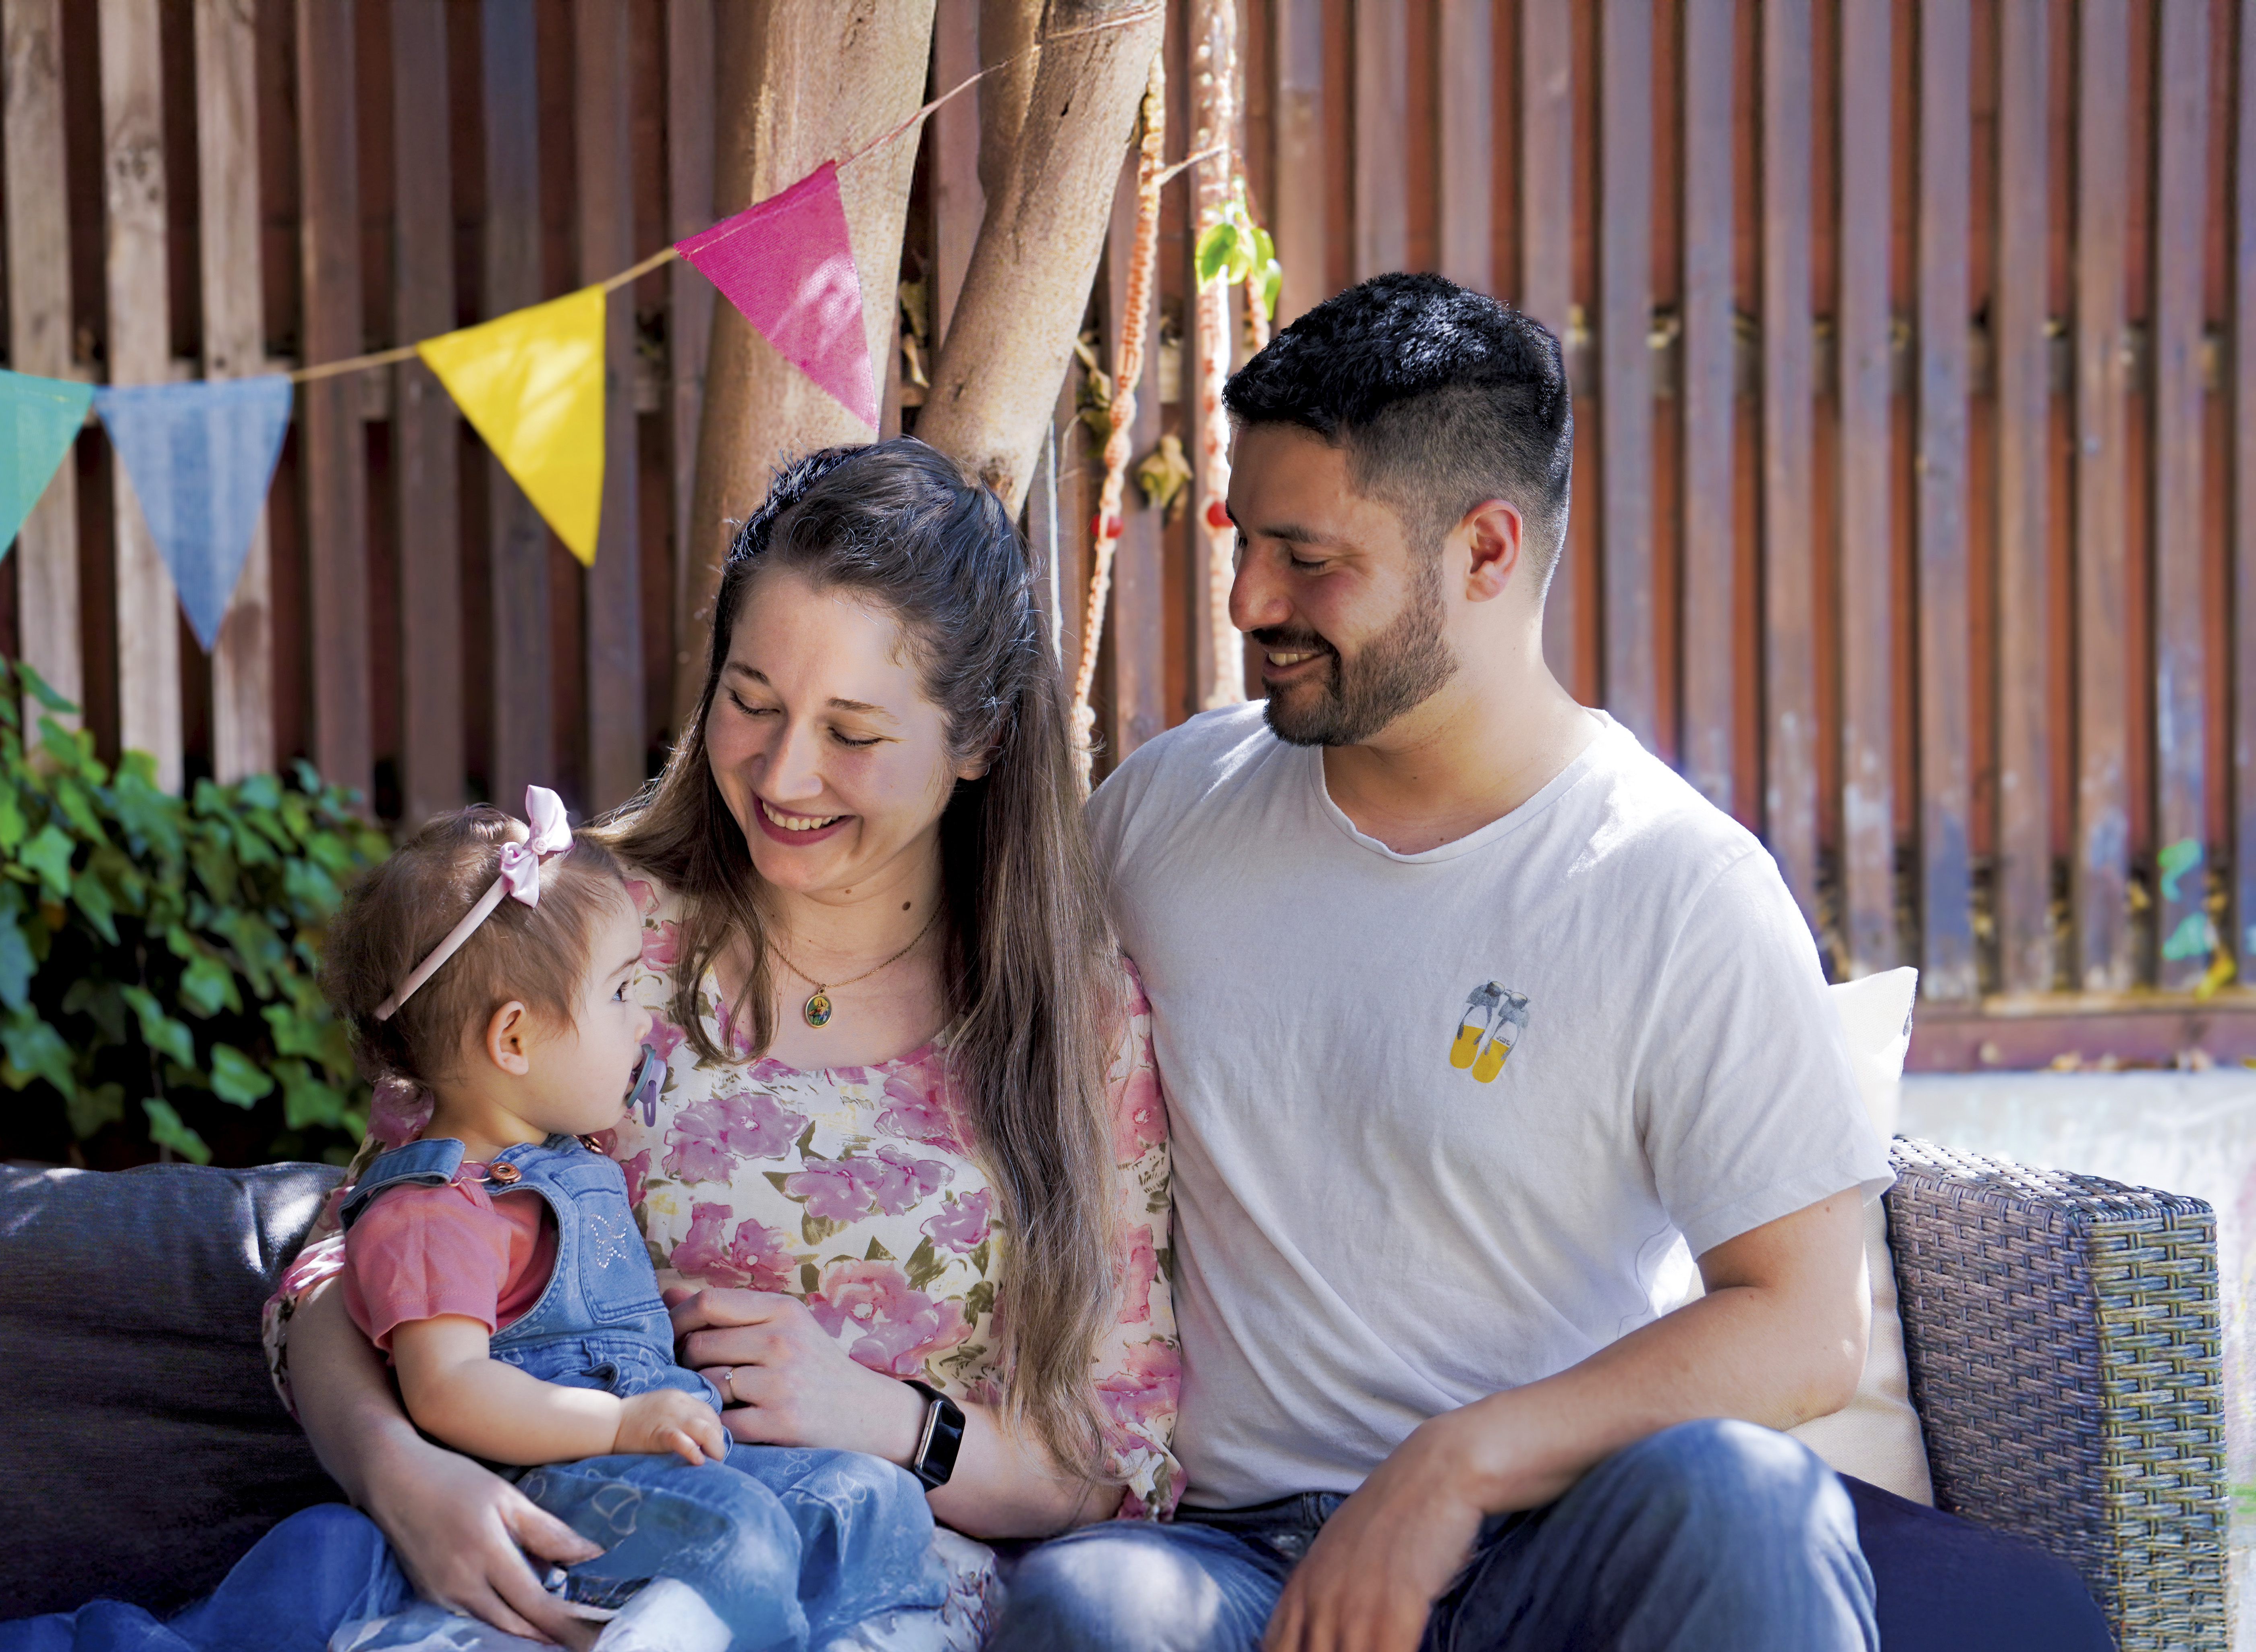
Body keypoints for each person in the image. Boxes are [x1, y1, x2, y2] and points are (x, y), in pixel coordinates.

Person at [992, 274, 2111, 1652]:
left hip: (1564, 1549)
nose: (1246, 599)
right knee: (1086, 1609)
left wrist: (1454, 1465)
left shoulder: (1673, 885)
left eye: (1308, 557)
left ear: (1485, 550)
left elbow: (1807, 1327)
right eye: (1241, 542)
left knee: (1745, 1494)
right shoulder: (1165, 815)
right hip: (1241, 1571)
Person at [266, 438, 1180, 1646]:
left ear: (981, 739)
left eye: (853, 730)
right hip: (567, 1548)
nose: (784, 770)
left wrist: (894, 1417)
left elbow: (1115, 1448)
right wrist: (405, 1474)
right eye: (751, 701)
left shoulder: (1070, 1015)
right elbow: (347, 1261)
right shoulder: (592, 929)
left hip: (871, 1589)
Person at [313, 786, 946, 1651]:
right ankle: (684, 1624)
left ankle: (757, 1622)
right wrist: (616, 1421)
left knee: (877, 1500)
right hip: (553, 1483)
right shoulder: (431, 1209)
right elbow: (448, 1389)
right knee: (745, 1542)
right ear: (514, 1040)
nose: (642, 1019)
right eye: (618, 993)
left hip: (668, 1453)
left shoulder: (565, 1162)